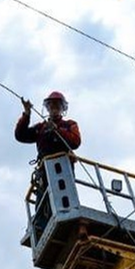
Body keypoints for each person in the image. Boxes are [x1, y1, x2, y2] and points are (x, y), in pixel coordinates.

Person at [15, 91, 81, 245]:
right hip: (45, 170)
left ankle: (68, 216)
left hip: (63, 170)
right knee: (43, 198)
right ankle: (39, 227)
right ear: (47, 107)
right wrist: (26, 114)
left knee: (63, 197)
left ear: (62, 108)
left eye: (57, 105)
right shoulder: (41, 128)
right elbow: (21, 135)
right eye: (51, 105)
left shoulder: (69, 124)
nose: (54, 108)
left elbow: (75, 141)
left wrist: (57, 130)